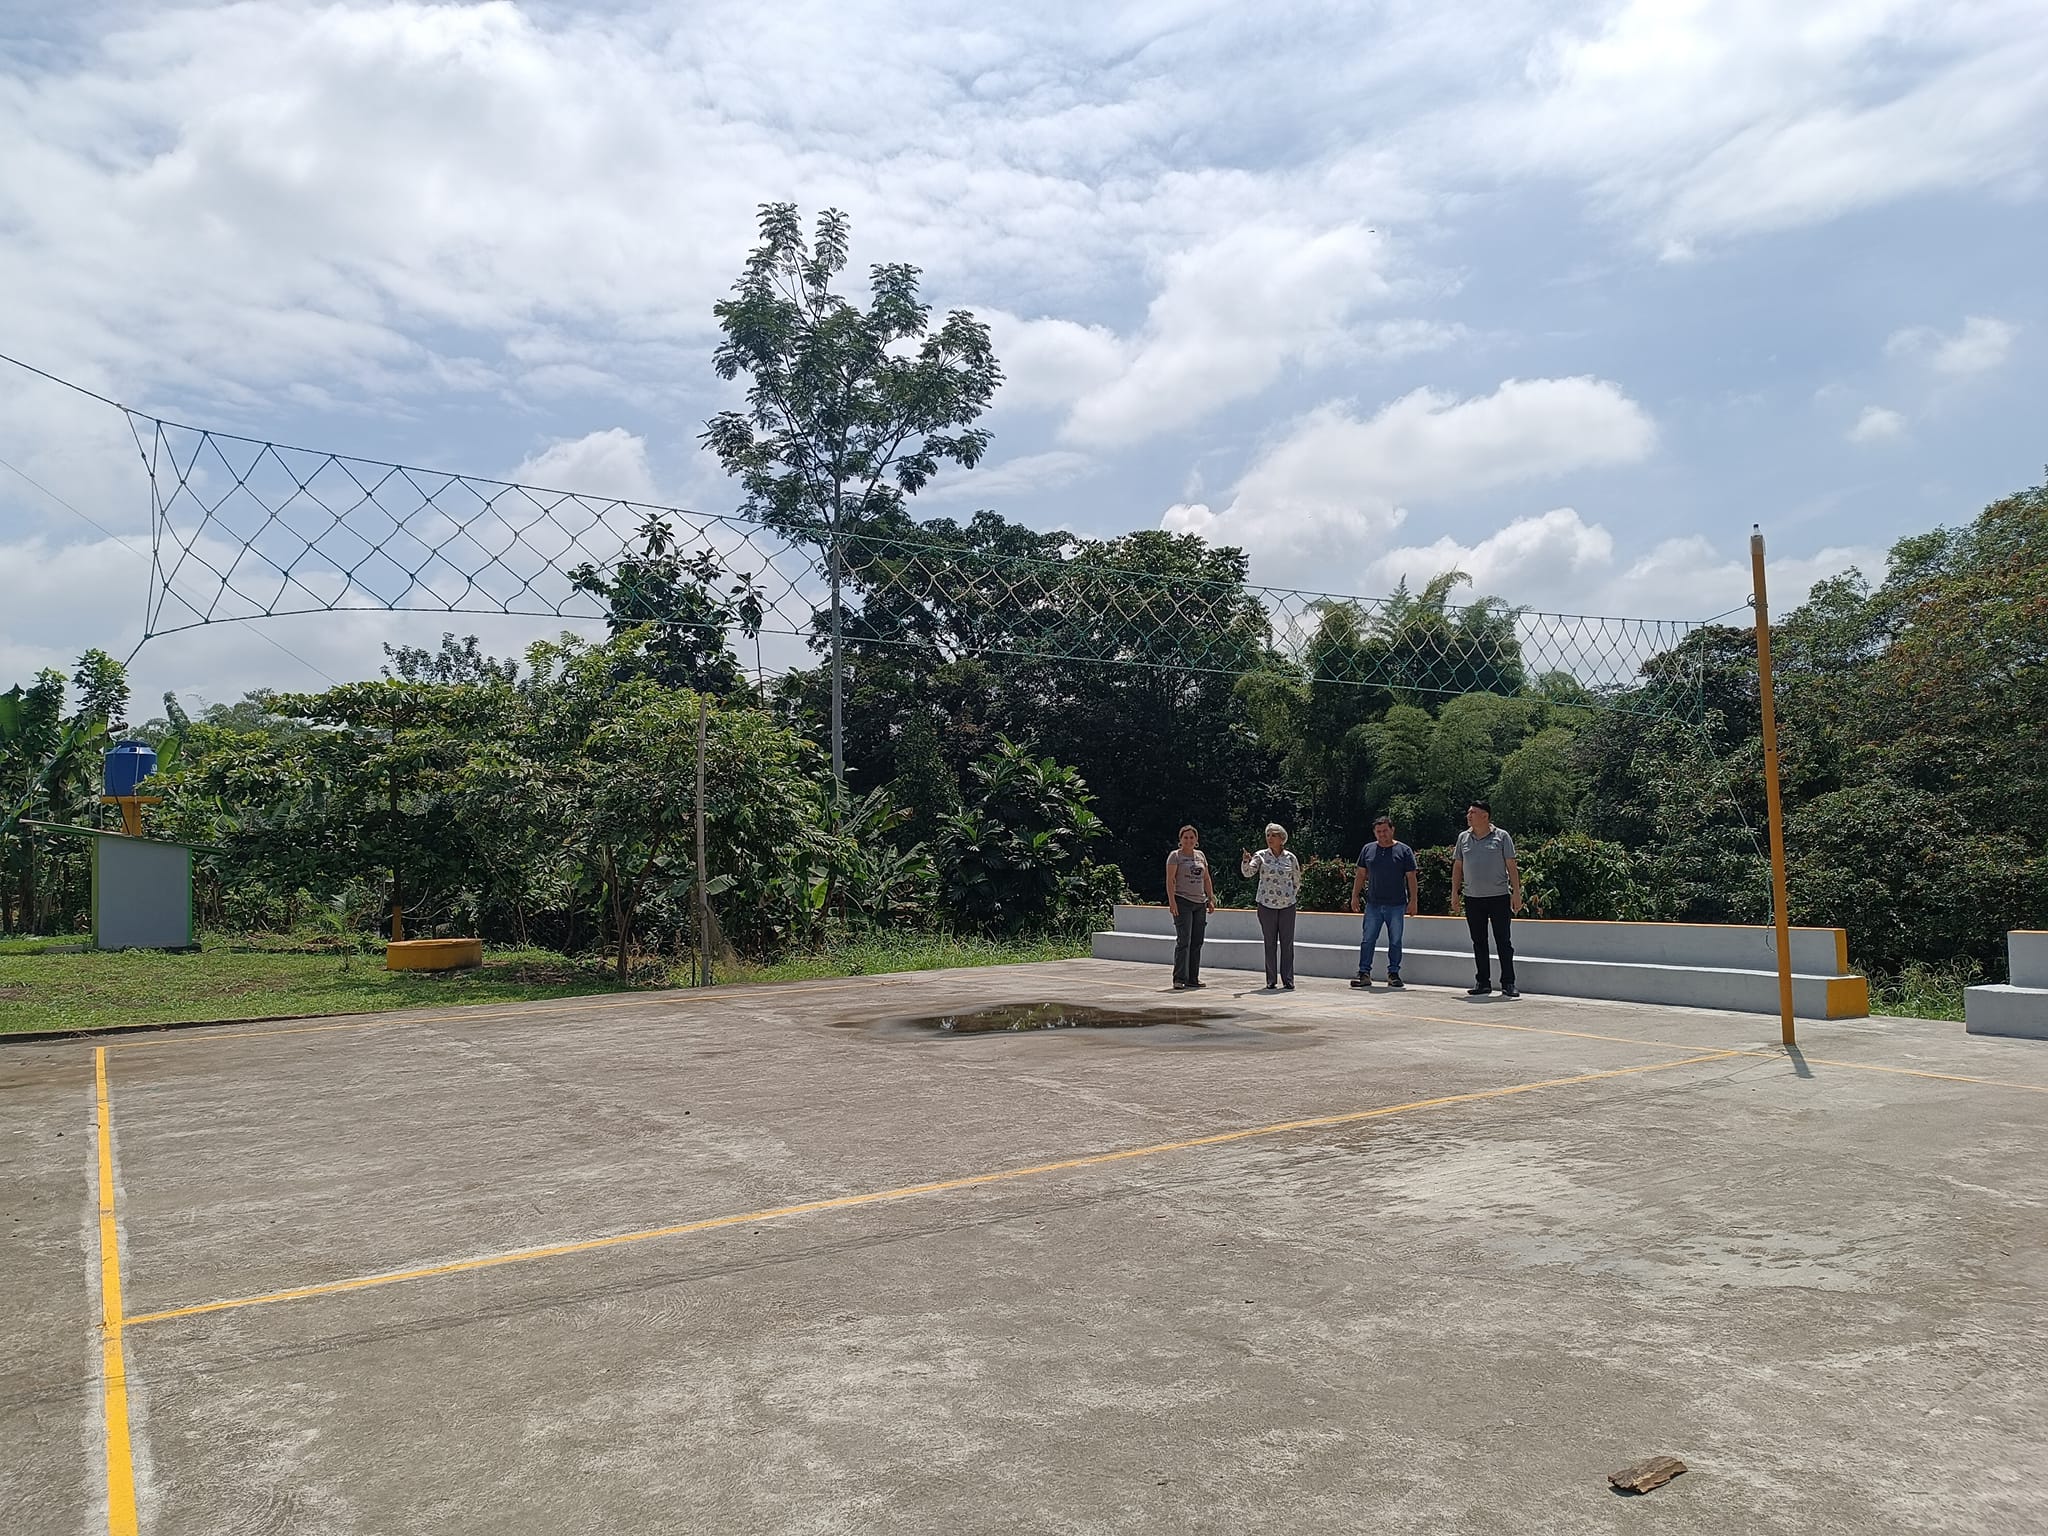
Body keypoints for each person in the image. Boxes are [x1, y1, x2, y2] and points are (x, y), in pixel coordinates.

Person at [1450, 799, 1522, 998]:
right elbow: (1458, 866)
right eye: (1468, 812)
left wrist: (1516, 893)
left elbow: (1511, 866)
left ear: (1485, 816)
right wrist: (1454, 892)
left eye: (1472, 812)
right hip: (1472, 897)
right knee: (1478, 941)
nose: (1469, 816)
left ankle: (1508, 982)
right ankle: (1483, 982)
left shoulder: (1502, 836)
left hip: (1499, 896)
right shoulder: (1463, 838)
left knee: (1503, 941)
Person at [1349, 814, 1418, 989]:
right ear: (1374, 832)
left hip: (1396, 904)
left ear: (1392, 830)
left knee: (1395, 940)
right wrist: (1355, 896)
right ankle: (1364, 973)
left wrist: (1413, 900)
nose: (1382, 834)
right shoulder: (1368, 849)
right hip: (1373, 904)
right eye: (1378, 831)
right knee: (1368, 939)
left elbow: (1411, 877)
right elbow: (1361, 874)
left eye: (1385, 831)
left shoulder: (1404, 850)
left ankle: (1393, 973)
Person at [1240, 823, 1301, 990]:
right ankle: (1271, 980)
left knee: (1287, 943)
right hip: (1266, 905)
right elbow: (1248, 873)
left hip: (1287, 905)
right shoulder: (1261, 855)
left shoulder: (1290, 857)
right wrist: (1245, 861)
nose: (1270, 838)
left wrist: (1290, 895)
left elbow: (1296, 879)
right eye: (1268, 835)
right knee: (1270, 943)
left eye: (1273, 835)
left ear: (1282, 838)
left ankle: (1288, 979)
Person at [1164, 825, 1217, 990]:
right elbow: (1170, 880)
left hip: (1199, 902)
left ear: (1196, 839)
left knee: (1197, 941)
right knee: (1184, 940)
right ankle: (1179, 978)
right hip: (1182, 901)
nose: (1189, 840)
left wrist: (1210, 898)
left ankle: (1193, 978)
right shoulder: (1175, 856)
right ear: (1180, 840)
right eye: (1185, 837)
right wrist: (1172, 902)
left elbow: (1206, 878)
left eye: (1191, 837)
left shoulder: (1200, 856)